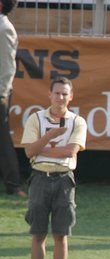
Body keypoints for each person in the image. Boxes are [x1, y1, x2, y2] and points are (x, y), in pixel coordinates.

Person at [21, 78, 87, 259]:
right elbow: (29, 151)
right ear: (49, 95)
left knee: (61, 234)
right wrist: (48, 137)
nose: (60, 98)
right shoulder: (36, 119)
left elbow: (70, 151)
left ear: (71, 96)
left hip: (64, 179)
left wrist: (42, 147)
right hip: (40, 177)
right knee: (38, 233)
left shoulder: (77, 121)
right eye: (57, 93)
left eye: (64, 94)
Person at [0, 0, 24, 198]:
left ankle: (13, 184)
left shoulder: (4, 28)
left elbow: (8, 66)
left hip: (0, 93)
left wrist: (2, 93)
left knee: (2, 139)